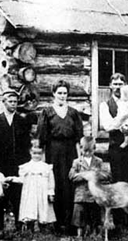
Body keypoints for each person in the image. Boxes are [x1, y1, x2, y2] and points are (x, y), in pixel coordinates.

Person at [36, 79, 83, 233]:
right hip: (53, 151)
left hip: (70, 151)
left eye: (65, 93)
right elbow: (42, 138)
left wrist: (78, 157)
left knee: (69, 185)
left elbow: (78, 137)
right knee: (55, 184)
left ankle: (69, 224)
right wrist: (43, 160)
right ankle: (56, 224)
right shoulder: (47, 112)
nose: (62, 96)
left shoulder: (73, 113)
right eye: (59, 93)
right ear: (54, 94)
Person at [0, 89, 31, 230]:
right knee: (0, 195)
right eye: (10, 101)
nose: (13, 104)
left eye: (15, 102)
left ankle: (19, 225)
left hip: (18, 164)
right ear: (4, 102)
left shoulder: (22, 121)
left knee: (17, 194)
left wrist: (25, 164)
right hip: (1, 164)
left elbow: (26, 144)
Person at [99, 73, 128, 186]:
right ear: (110, 86)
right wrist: (126, 116)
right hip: (116, 148)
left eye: (121, 84)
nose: (118, 87)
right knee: (119, 182)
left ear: (125, 85)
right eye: (115, 84)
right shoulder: (105, 105)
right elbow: (108, 126)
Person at [9, 144, 56, 231]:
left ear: (42, 154)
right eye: (34, 153)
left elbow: (51, 182)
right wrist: (12, 179)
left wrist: (51, 193)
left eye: (39, 153)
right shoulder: (26, 167)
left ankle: (43, 227)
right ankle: (30, 227)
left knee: (42, 208)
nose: (37, 156)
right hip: (30, 192)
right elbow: (22, 179)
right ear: (30, 153)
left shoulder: (46, 167)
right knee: (30, 207)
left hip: (42, 192)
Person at [69, 136, 104, 237]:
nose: (87, 153)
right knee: (79, 216)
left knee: (96, 216)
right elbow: (71, 176)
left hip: (95, 194)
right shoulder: (77, 162)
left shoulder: (99, 161)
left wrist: (95, 175)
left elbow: (106, 175)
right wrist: (84, 175)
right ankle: (79, 235)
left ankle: (96, 234)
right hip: (81, 194)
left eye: (90, 151)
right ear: (80, 149)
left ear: (94, 149)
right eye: (85, 151)